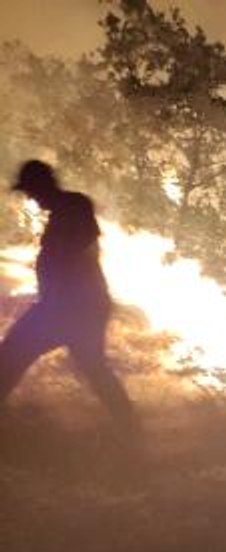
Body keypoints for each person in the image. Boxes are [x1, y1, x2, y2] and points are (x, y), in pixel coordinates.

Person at [0, 160, 136, 428]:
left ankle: (129, 427)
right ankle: (129, 427)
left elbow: (83, 250)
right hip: (70, 305)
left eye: (31, 190)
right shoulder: (65, 210)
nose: (30, 197)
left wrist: (58, 288)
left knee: (11, 354)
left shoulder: (74, 205)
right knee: (92, 366)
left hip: (69, 307)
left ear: (43, 185)